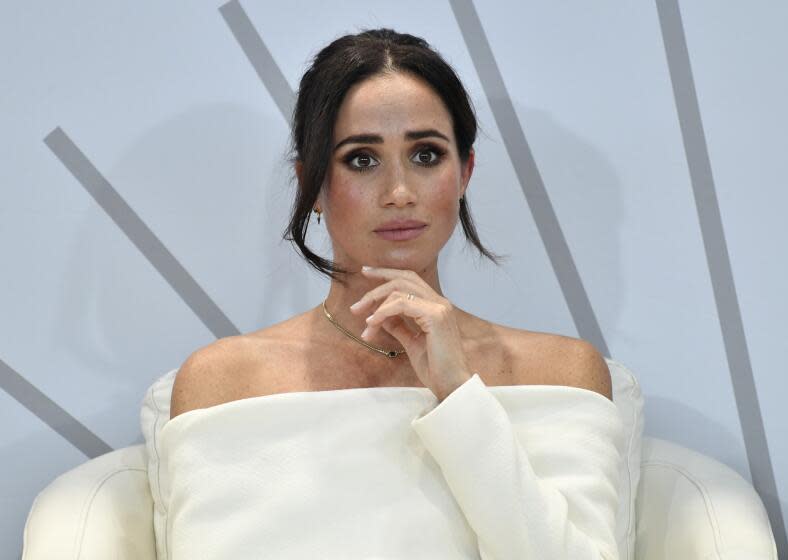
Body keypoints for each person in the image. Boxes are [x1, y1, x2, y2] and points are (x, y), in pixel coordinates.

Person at [163, 28, 622, 560]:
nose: (400, 193)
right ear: (310, 183)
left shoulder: (564, 372)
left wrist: (458, 393)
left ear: (465, 172)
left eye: (426, 155)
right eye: (362, 159)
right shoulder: (224, 381)